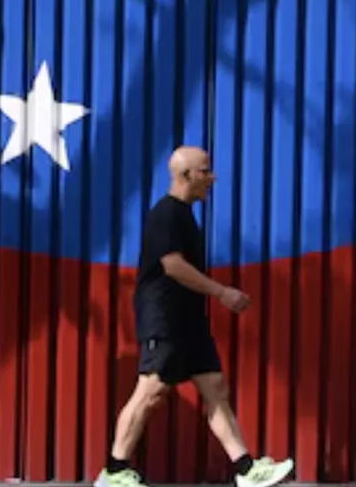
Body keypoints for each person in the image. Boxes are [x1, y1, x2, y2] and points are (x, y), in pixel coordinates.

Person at [95, 145, 294, 487]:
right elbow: (172, 266)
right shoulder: (165, 214)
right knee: (151, 391)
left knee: (215, 387)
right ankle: (113, 471)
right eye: (206, 170)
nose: (212, 177)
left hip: (189, 320)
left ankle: (247, 470)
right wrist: (222, 292)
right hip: (165, 317)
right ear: (186, 175)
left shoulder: (185, 214)